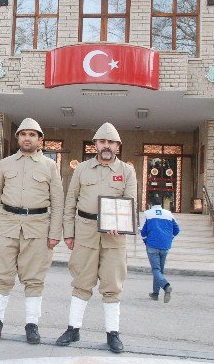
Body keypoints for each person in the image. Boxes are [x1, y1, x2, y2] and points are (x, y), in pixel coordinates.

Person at [0, 118, 63, 344]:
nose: (27, 138)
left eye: (32, 134)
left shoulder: (50, 166)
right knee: (2, 276)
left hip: (38, 227)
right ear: (18, 138)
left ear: (40, 140)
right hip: (8, 225)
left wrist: (55, 233)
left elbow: (58, 201)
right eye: (23, 134)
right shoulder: (6, 164)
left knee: (34, 279)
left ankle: (32, 325)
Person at [56, 122, 137, 354]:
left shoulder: (127, 171)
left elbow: (130, 202)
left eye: (111, 142)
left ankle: (113, 333)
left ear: (118, 146)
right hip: (85, 231)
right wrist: (68, 233)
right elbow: (70, 200)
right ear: (95, 145)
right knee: (81, 281)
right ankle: (73, 329)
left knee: (112, 284)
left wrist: (121, 225)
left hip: (114, 236)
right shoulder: (81, 169)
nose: (106, 146)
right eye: (102, 141)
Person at [141, 193, 180, 303]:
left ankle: (166, 286)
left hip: (152, 245)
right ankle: (155, 293)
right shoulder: (168, 214)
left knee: (156, 270)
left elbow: (143, 232)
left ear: (150, 204)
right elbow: (177, 229)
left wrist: (146, 241)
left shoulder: (147, 214)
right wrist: (169, 238)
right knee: (159, 270)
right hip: (165, 245)